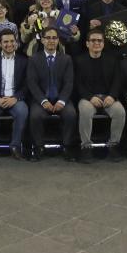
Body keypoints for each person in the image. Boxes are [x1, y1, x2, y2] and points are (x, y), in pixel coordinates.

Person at [27, 26, 77, 160]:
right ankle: (38, 147)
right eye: (48, 38)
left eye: (54, 38)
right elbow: (32, 83)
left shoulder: (66, 59)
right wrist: (43, 101)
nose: (51, 40)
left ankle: (67, 147)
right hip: (41, 99)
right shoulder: (33, 59)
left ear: (58, 40)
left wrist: (61, 101)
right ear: (42, 40)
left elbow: (69, 83)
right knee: (35, 116)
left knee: (71, 114)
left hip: (61, 99)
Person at [75, 28, 124, 162]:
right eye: (93, 40)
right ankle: (86, 147)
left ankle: (114, 145)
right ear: (87, 44)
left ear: (103, 43)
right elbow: (78, 84)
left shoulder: (112, 60)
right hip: (88, 98)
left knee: (119, 111)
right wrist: (90, 97)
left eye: (99, 41)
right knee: (85, 111)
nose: (96, 43)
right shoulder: (79, 60)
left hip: (108, 98)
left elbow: (117, 81)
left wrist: (112, 96)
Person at [0, 31, 29, 160]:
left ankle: (15, 147)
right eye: (6, 42)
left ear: (16, 42)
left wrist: (15, 98)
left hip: (15, 99)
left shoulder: (24, 61)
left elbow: (27, 84)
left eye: (12, 41)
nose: (9, 44)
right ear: (0, 43)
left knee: (22, 111)